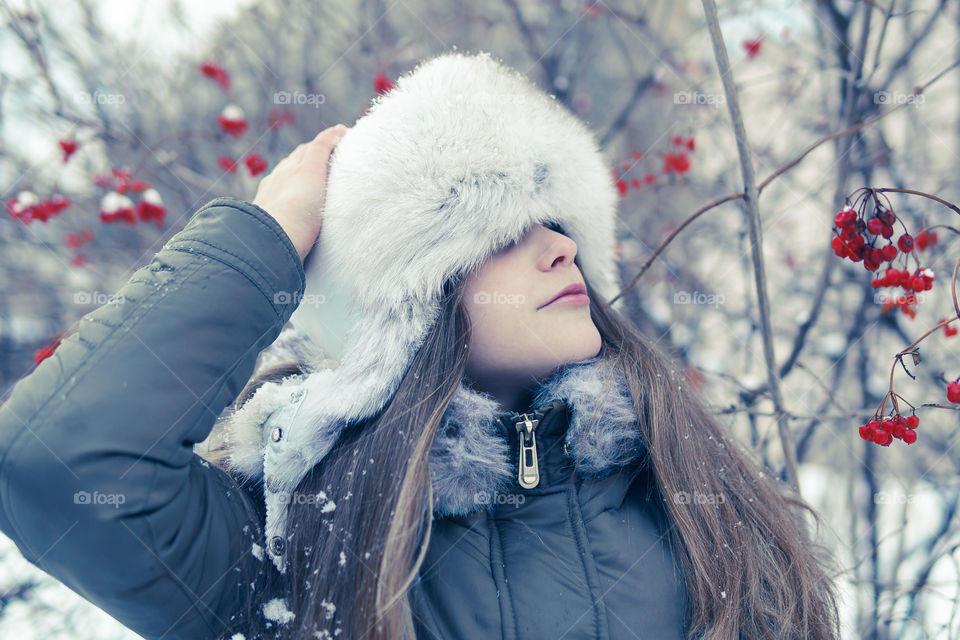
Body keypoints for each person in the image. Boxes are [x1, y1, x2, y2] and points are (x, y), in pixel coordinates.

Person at [0, 51, 842, 640]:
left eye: (559, 223)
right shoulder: (295, 538)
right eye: (507, 229)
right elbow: (58, 460)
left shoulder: (692, 488)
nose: (559, 248)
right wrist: (266, 236)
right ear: (401, 308)